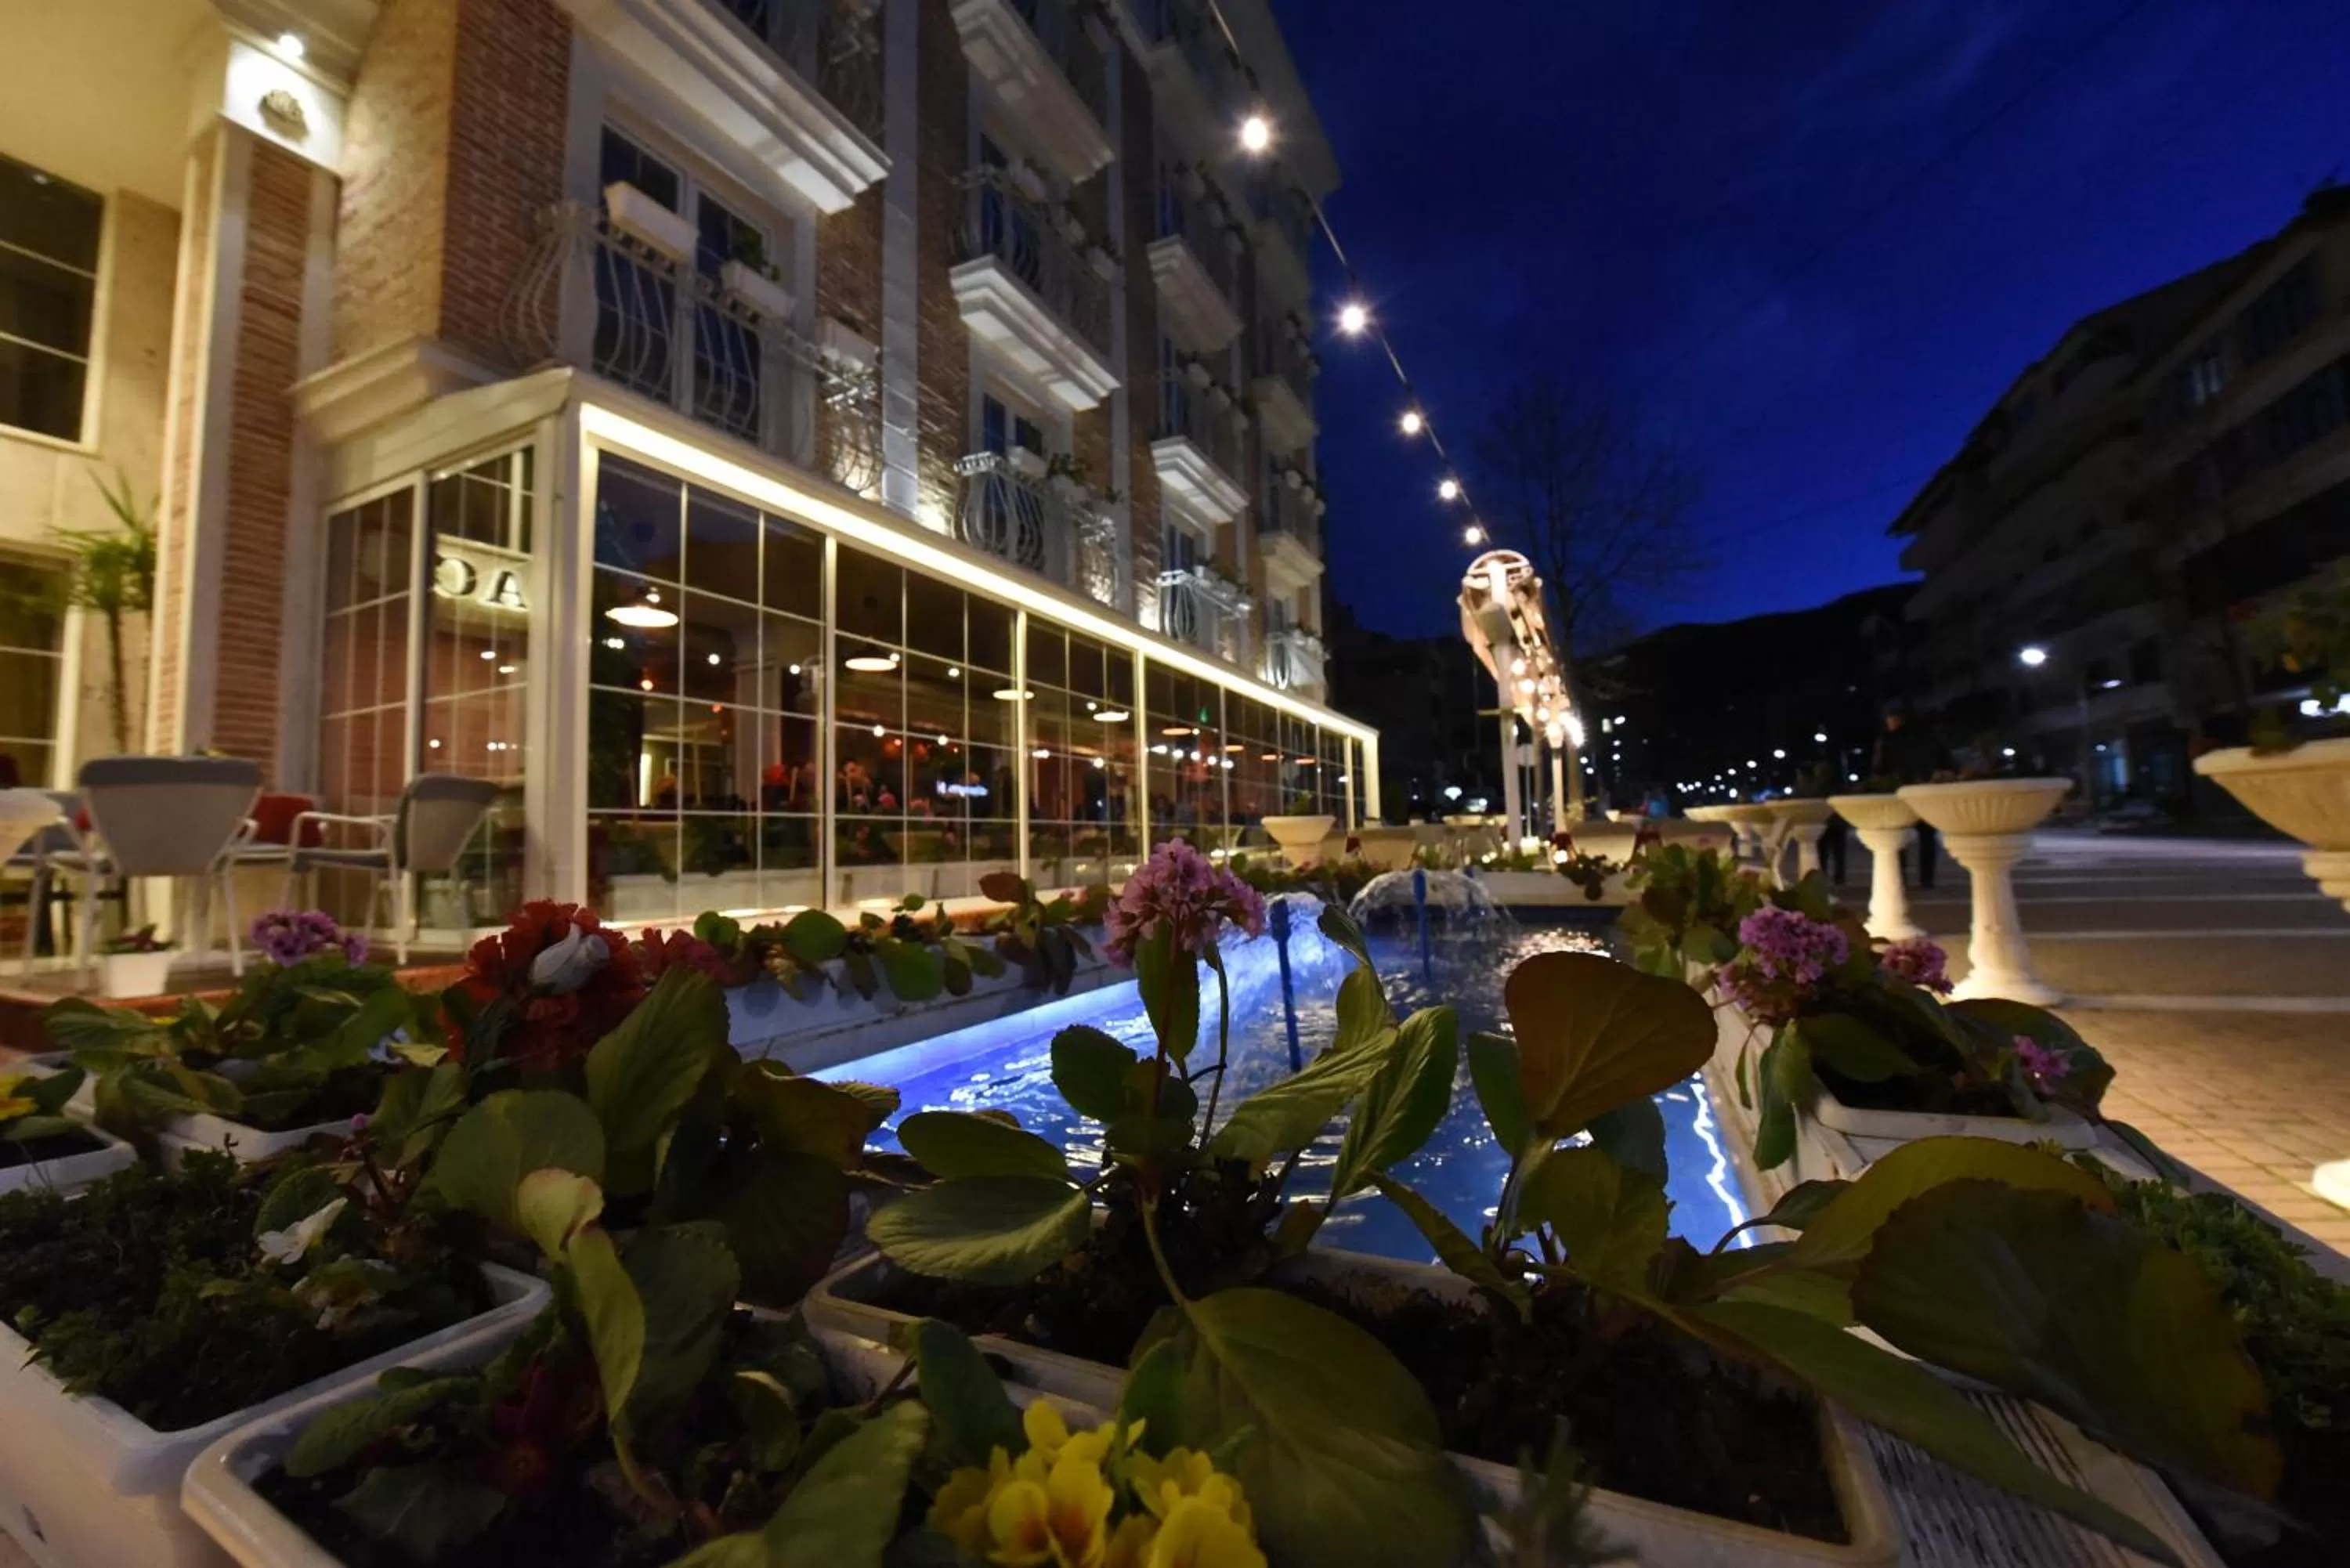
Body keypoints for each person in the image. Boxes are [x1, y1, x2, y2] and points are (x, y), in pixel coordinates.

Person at [1871, 705, 1953, 890]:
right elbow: (1947, 761)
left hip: (1901, 793)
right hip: (1926, 792)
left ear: (1896, 719)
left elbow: (1879, 767)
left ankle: (1900, 878)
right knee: (1927, 837)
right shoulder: (1930, 735)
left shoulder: (1888, 739)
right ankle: (1927, 879)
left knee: (1898, 837)